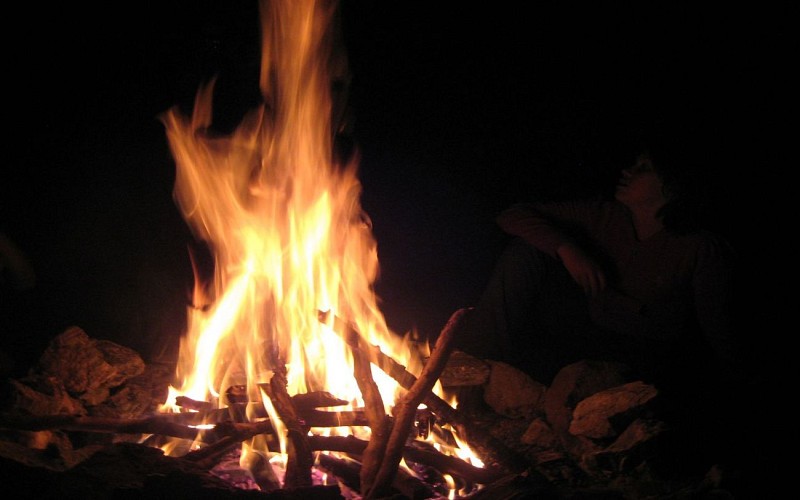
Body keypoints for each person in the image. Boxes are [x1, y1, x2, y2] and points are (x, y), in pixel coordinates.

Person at [453, 131, 747, 474]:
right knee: (527, 252)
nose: (627, 171)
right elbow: (512, 215)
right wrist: (568, 249)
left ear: (673, 186)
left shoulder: (699, 247)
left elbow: (719, 327)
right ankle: (467, 371)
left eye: (644, 168)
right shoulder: (606, 216)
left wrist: (736, 382)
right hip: (589, 330)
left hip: (646, 353)